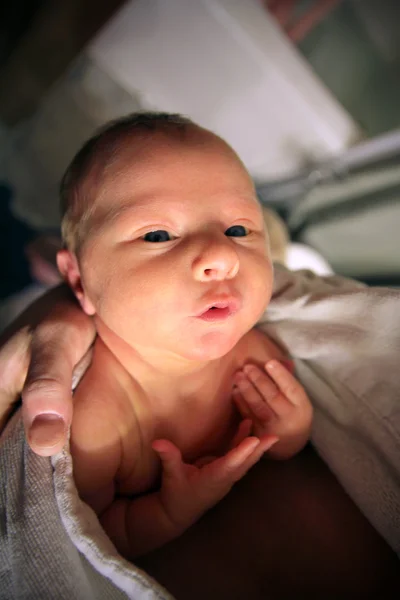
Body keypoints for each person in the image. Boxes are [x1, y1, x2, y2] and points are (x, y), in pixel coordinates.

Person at [53, 112, 313, 558]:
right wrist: (168, 513)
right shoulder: (98, 423)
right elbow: (91, 542)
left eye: (238, 229)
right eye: (157, 234)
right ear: (80, 282)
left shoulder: (253, 357)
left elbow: (278, 449)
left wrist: (292, 430)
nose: (221, 255)